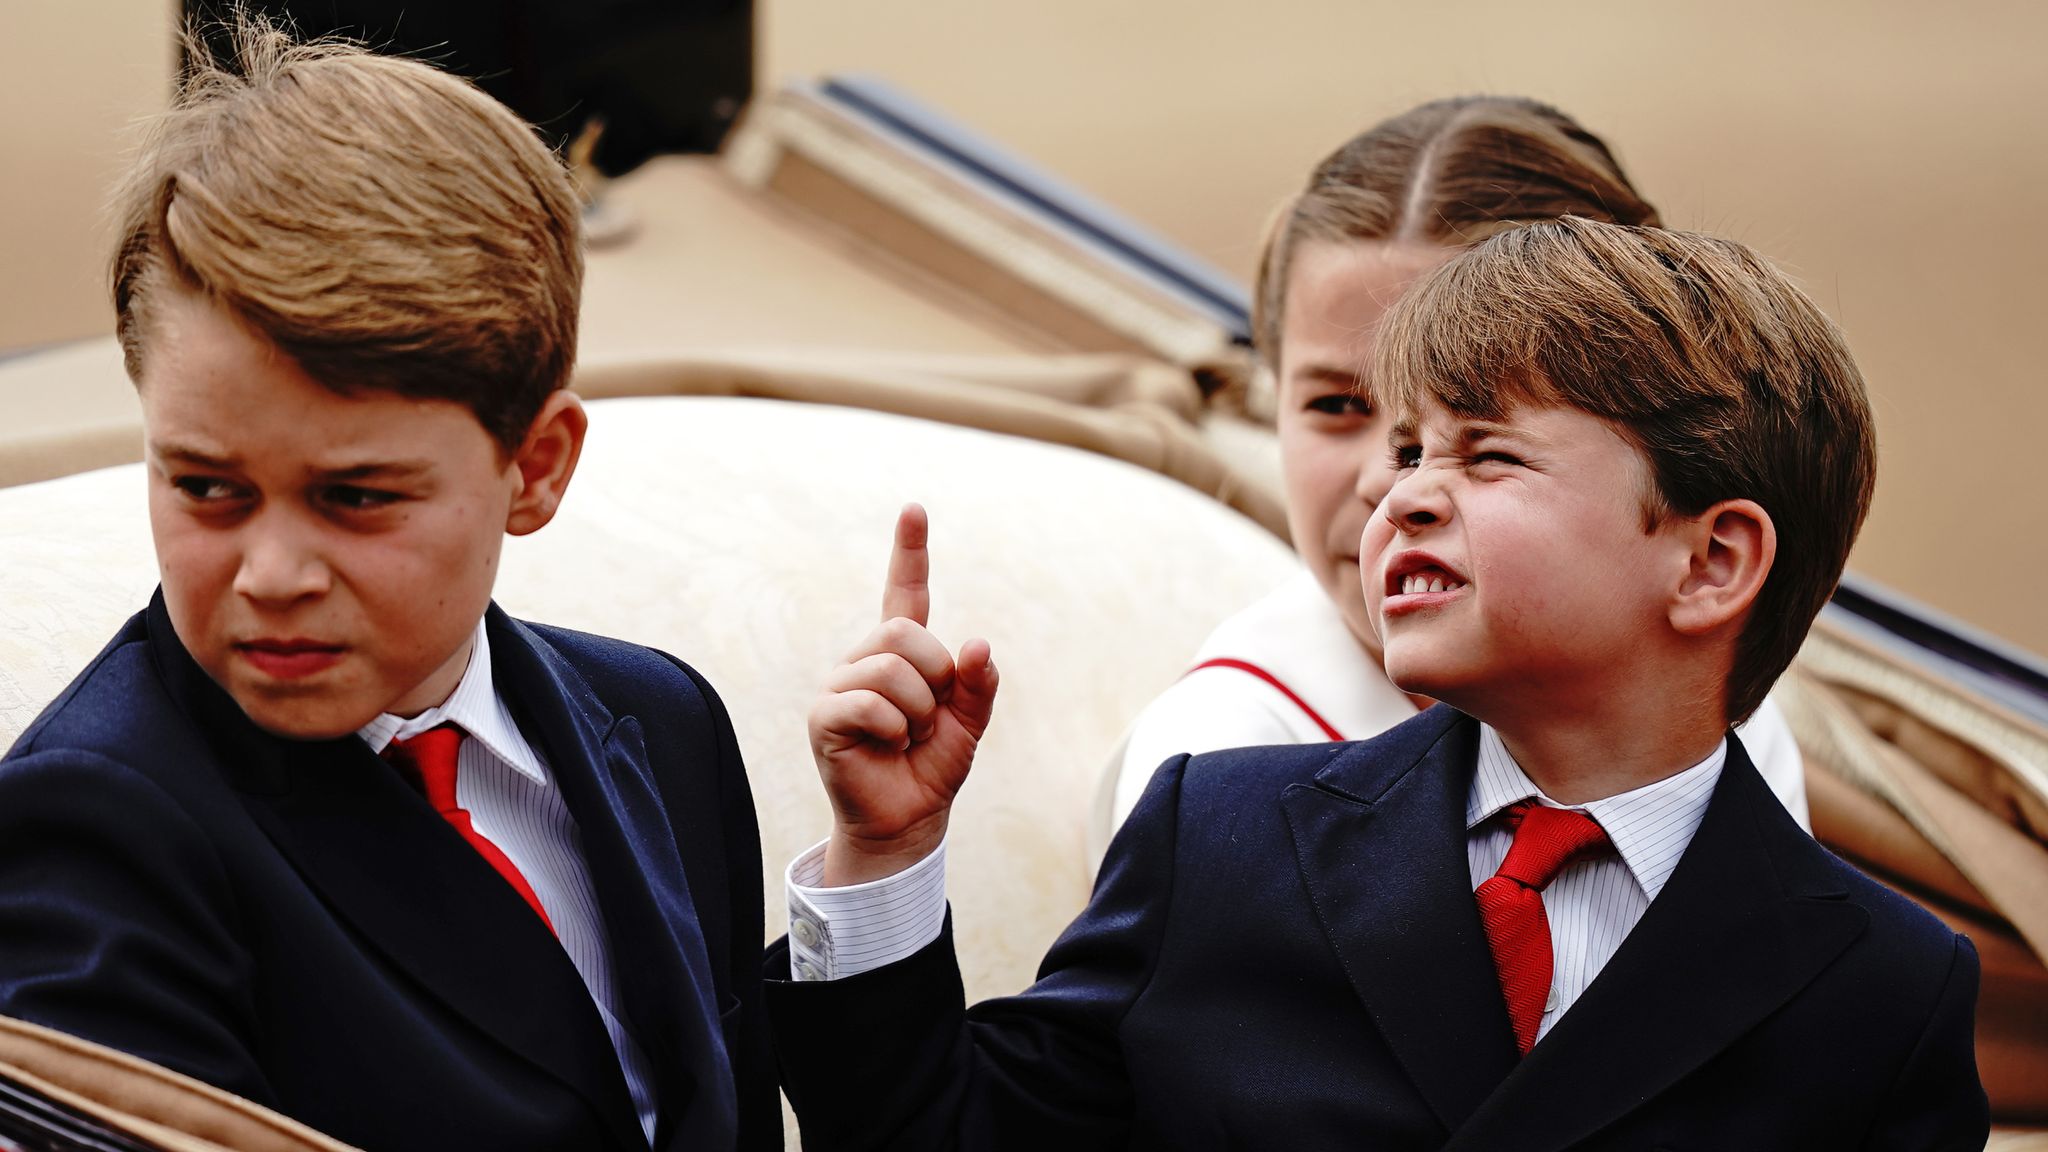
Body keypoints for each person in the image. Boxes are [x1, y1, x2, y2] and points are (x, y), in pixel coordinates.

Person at [768, 218, 1988, 1149]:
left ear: (1711, 561)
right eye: (1408, 448)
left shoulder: (1881, 987)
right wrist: (884, 851)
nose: (1397, 492)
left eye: (1487, 454)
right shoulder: (1221, 836)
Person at [0, 19, 776, 1152]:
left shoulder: (664, 722)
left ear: (538, 467)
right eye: (208, 488)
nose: (270, 575)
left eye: (356, 498)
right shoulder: (96, 827)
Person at [1110, 96, 1808, 831]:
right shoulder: (1218, 764)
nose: (1391, 481)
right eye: (1338, 407)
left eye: (1487, 433)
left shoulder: (1726, 725)